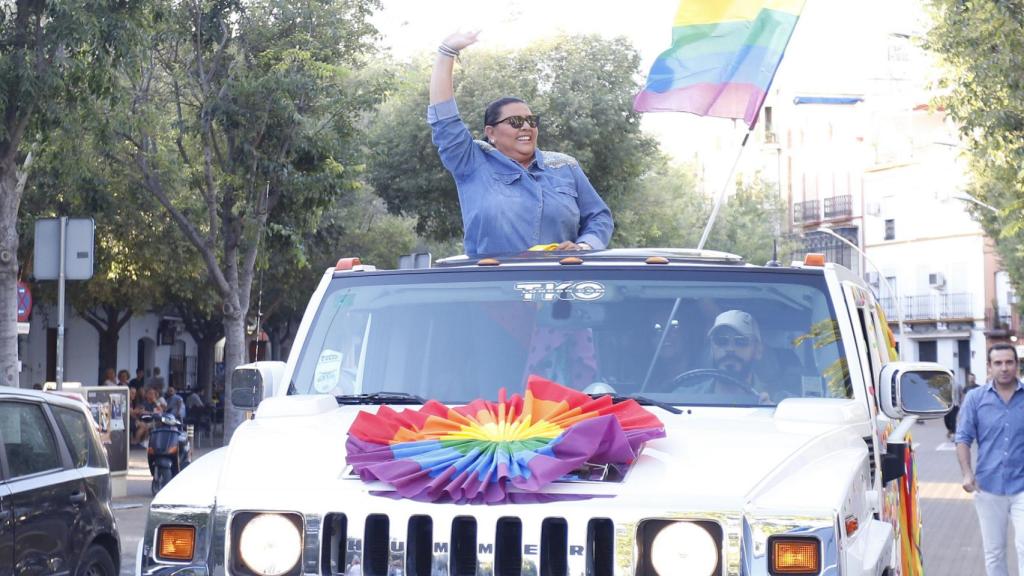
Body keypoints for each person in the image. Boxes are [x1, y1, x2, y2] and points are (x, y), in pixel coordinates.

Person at [428, 31, 613, 257]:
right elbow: (445, 121)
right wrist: (446, 52)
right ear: (491, 133)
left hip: (560, 284)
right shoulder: (472, 162)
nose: (526, 127)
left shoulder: (566, 167)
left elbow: (599, 217)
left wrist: (584, 247)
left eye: (531, 121)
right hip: (493, 284)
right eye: (515, 122)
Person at [955, 343, 1024, 576]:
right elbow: (963, 437)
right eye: (998, 363)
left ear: (1016, 364)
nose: (1004, 368)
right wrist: (967, 472)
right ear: (989, 366)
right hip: (988, 486)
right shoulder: (975, 398)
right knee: (994, 553)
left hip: (1022, 486)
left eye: (1009, 362)